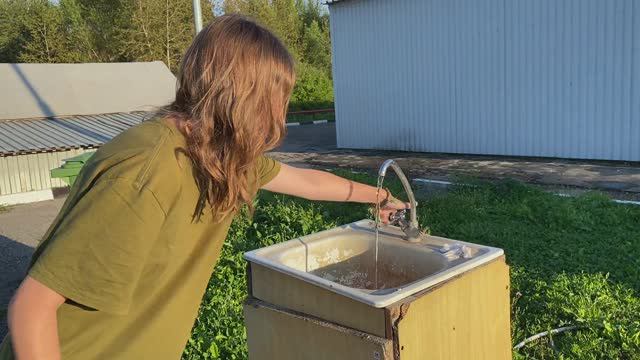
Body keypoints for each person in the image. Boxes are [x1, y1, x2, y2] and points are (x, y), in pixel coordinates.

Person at [0, 14, 408, 360]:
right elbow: (32, 309)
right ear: (243, 97)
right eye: (277, 97)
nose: (280, 112)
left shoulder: (219, 153)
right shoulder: (148, 168)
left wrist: (380, 197)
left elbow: (306, 181)